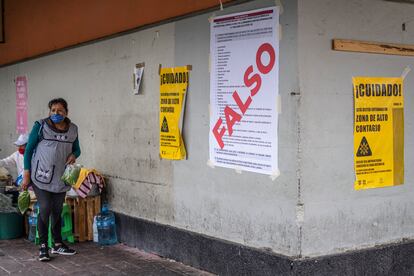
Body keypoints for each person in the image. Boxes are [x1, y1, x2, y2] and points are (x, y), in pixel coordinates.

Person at [22, 98, 81, 262]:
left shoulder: (73, 129)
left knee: (57, 210)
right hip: (41, 176)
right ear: (49, 111)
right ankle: (43, 246)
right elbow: (28, 151)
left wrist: (73, 155)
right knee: (46, 208)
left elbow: (77, 149)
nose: (56, 113)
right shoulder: (40, 126)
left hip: (61, 178)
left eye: (60, 110)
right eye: (53, 110)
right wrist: (26, 174)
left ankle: (57, 244)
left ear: (66, 112)